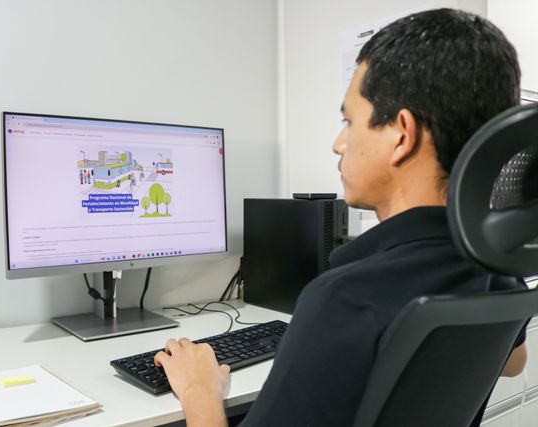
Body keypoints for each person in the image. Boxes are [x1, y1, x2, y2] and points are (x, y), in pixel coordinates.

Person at [154, 8, 528, 427]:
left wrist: (199, 390)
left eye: (349, 121)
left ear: (401, 135)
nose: (338, 143)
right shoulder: (496, 271)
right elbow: (515, 362)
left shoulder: (345, 298)